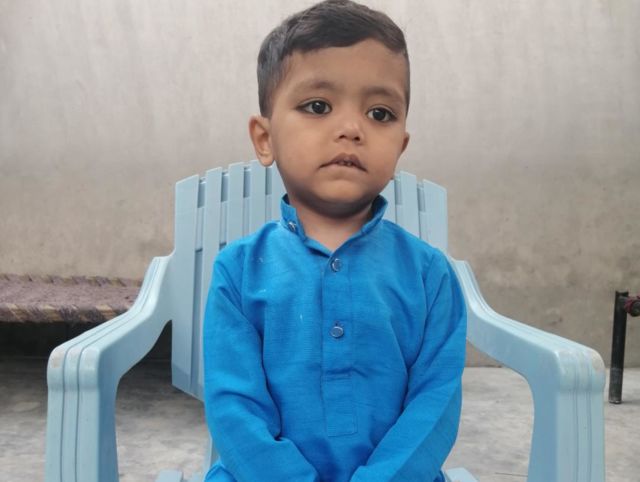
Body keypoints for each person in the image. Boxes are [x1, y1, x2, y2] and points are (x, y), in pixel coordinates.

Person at [202, 1, 467, 481]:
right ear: (264, 138)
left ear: (401, 146)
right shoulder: (238, 272)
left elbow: (435, 406)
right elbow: (234, 409)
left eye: (380, 113)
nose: (351, 129)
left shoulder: (430, 276)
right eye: (318, 106)